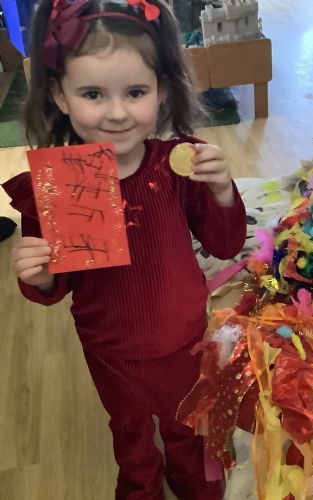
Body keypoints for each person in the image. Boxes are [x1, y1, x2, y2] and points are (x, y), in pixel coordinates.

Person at [2, 0, 246, 498]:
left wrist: (223, 191)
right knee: (129, 430)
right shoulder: (59, 187)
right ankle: (139, 485)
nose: (116, 113)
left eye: (135, 92)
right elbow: (54, 287)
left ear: (161, 90)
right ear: (60, 95)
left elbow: (225, 244)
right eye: (93, 93)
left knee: (185, 422)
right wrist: (40, 276)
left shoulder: (178, 166)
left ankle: (191, 478)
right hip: (108, 346)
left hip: (183, 337)